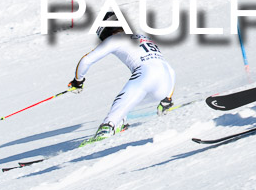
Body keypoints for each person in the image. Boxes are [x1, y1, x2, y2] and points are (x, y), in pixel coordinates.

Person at [68, 12, 176, 144]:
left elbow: (86, 61)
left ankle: (107, 128)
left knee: (123, 100)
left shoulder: (115, 38)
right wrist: (168, 97)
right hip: (167, 79)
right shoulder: (143, 37)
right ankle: (122, 120)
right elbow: (166, 67)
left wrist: (78, 81)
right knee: (133, 99)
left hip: (146, 74)